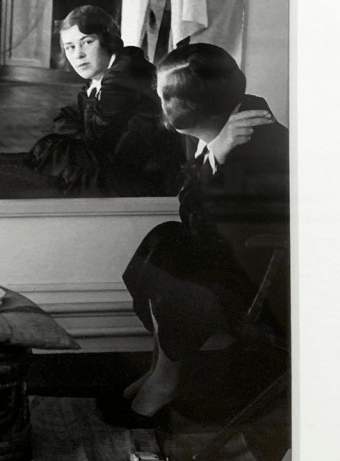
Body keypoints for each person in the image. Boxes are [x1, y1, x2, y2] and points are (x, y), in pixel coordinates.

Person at [118, 42, 289, 423]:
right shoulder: (227, 123)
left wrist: (218, 157)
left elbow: (213, 227)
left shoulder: (254, 145)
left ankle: (166, 379)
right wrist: (214, 153)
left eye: (165, 97)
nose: (159, 104)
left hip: (271, 281)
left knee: (176, 257)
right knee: (166, 239)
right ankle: (161, 369)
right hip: (239, 258)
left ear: (193, 106)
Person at [26, 6, 184, 196]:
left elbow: (94, 140)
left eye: (87, 42)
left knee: (56, 151)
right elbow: (67, 117)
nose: (78, 54)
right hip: (125, 167)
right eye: (70, 47)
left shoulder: (123, 76)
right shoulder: (108, 74)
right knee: (57, 153)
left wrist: (79, 128)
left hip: (146, 182)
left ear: (107, 40)